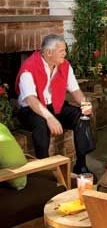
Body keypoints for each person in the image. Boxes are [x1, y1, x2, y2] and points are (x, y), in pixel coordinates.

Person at [15, 34, 94, 175]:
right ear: (49, 52)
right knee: (41, 124)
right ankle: (44, 170)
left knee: (81, 115)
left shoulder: (64, 65)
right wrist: (49, 118)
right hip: (31, 109)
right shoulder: (28, 68)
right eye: (61, 50)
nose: (65, 53)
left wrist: (84, 103)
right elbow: (32, 100)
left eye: (65, 50)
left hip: (54, 105)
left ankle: (81, 165)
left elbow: (75, 90)